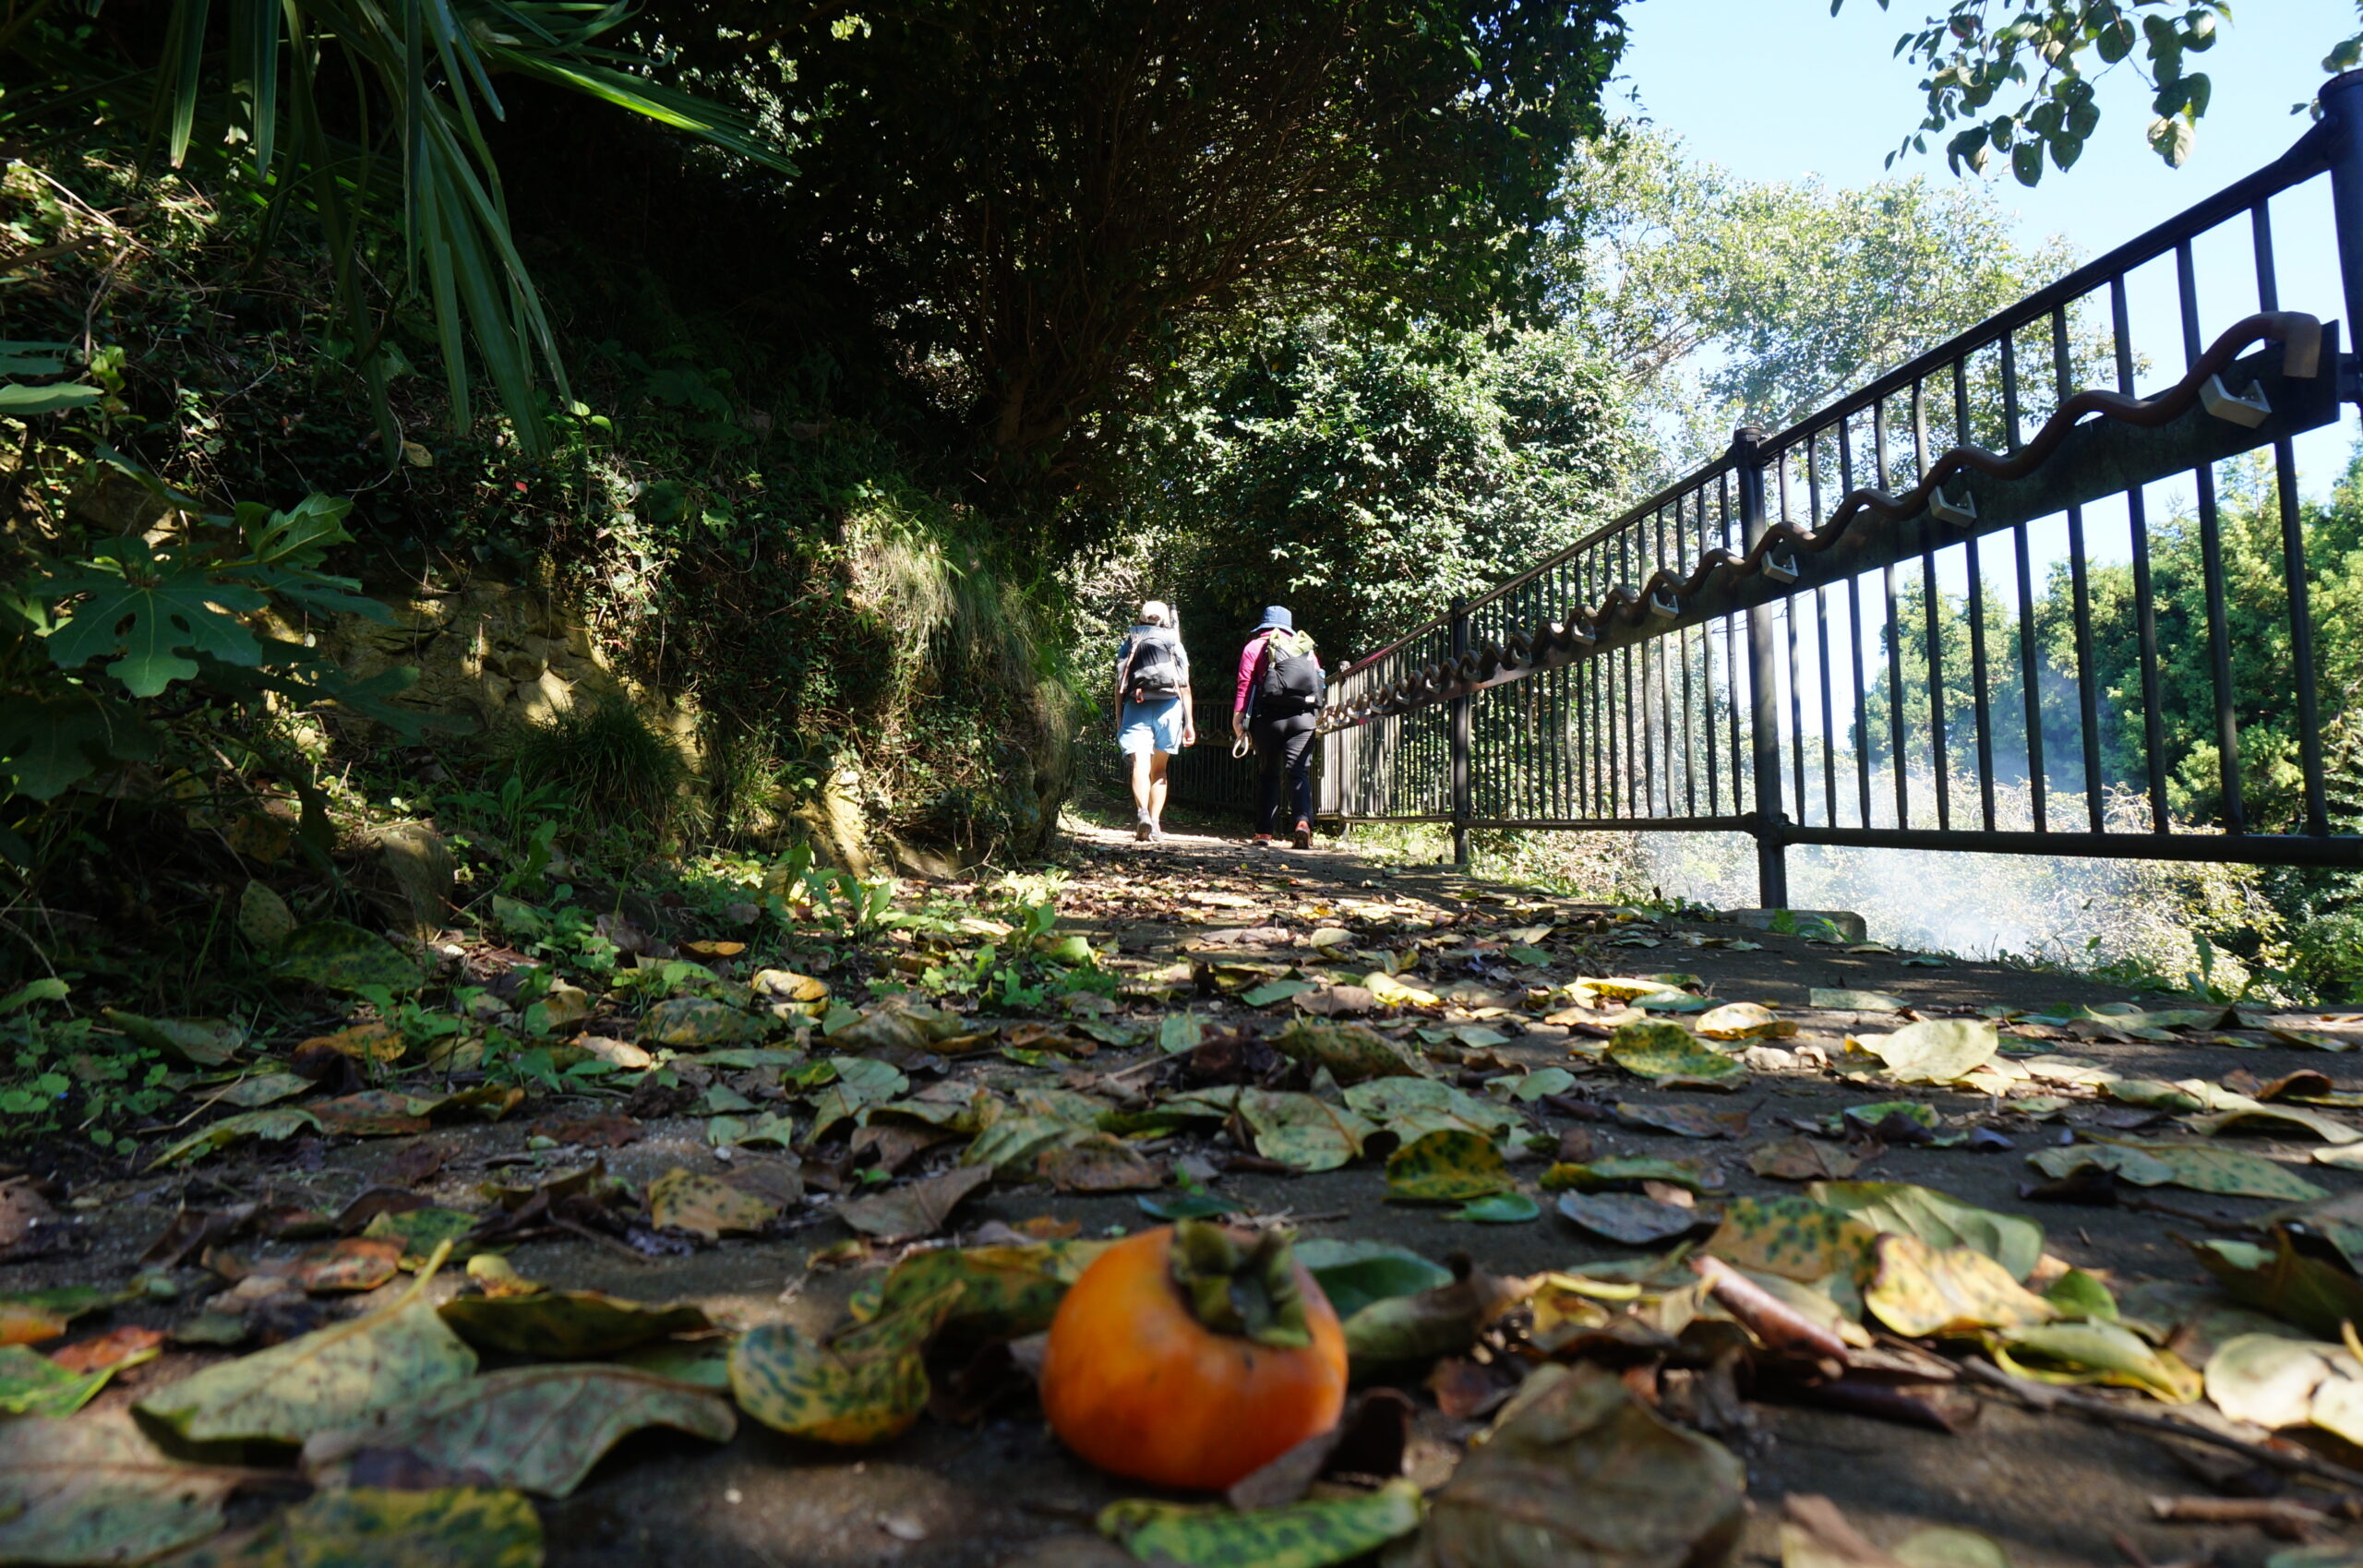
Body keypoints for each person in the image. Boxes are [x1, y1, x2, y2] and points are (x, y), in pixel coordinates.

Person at [1233, 605, 1324, 849]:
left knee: (1268, 773)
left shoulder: (1254, 647)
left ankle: (1263, 833)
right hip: (1303, 718)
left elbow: (1246, 683)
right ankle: (1302, 824)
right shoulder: (1305, 647)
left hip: (1269, 718)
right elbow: (1318, 681)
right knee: (1298, 772)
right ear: (1288, 625)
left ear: (1263, 624)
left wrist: (1239, 717)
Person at [1113, 600, 1194, 842]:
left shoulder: (1131, 641)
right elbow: (1185, 685)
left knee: (1140, 764)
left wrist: (1119, 718)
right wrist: (1189, 722)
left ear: (1141, 618)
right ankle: (1156, 824)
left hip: (1136, 706)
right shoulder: (1174, 642)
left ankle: (1142, 814)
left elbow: (1119, 684)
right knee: (1160, 770)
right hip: (1169, 708)